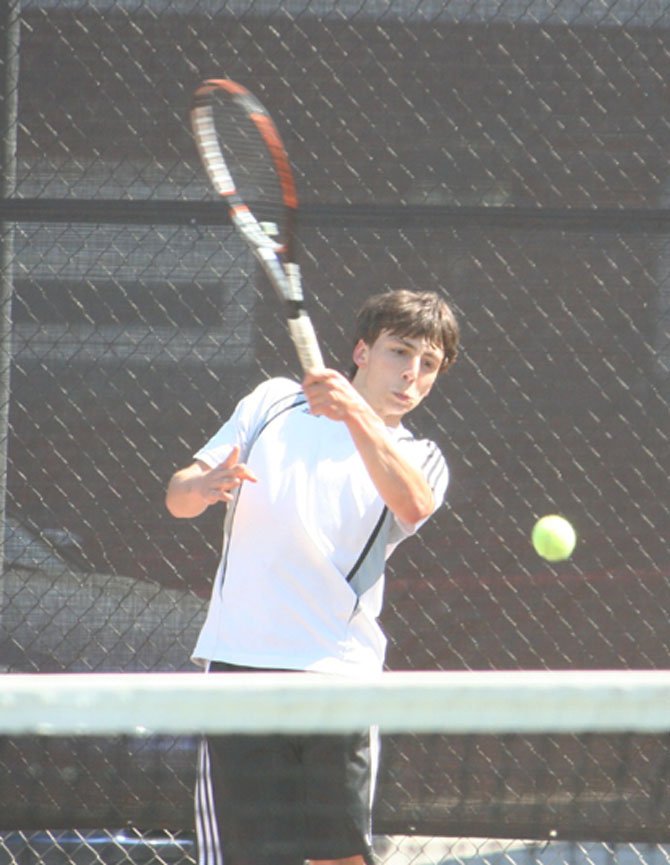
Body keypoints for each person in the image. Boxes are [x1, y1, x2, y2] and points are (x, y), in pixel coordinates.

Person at [165, 289, 460, 865]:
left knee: (340, 857)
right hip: (241, 665)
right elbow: (179, 496)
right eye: (400, 352)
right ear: (361, 351)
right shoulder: (274, 402)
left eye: (428, 365)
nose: (411, 374)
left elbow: (414, 504)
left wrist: (354, 411)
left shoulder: (418, 454)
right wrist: (200, 489)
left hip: (338, 676)